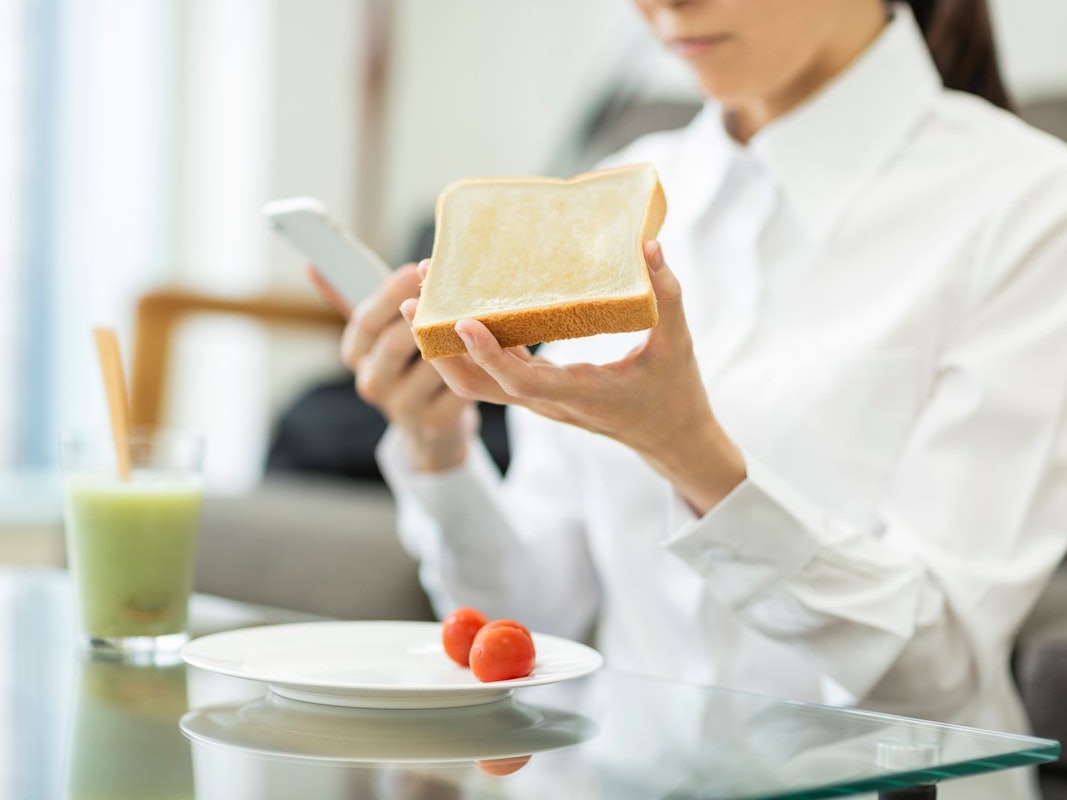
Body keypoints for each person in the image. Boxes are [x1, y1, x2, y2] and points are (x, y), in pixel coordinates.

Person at [312, 2, 1067, 797]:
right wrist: (439, 451)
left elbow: (936, 676)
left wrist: (689, 451)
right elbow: (534, 624)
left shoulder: (1027, 208)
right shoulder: (620, 197)